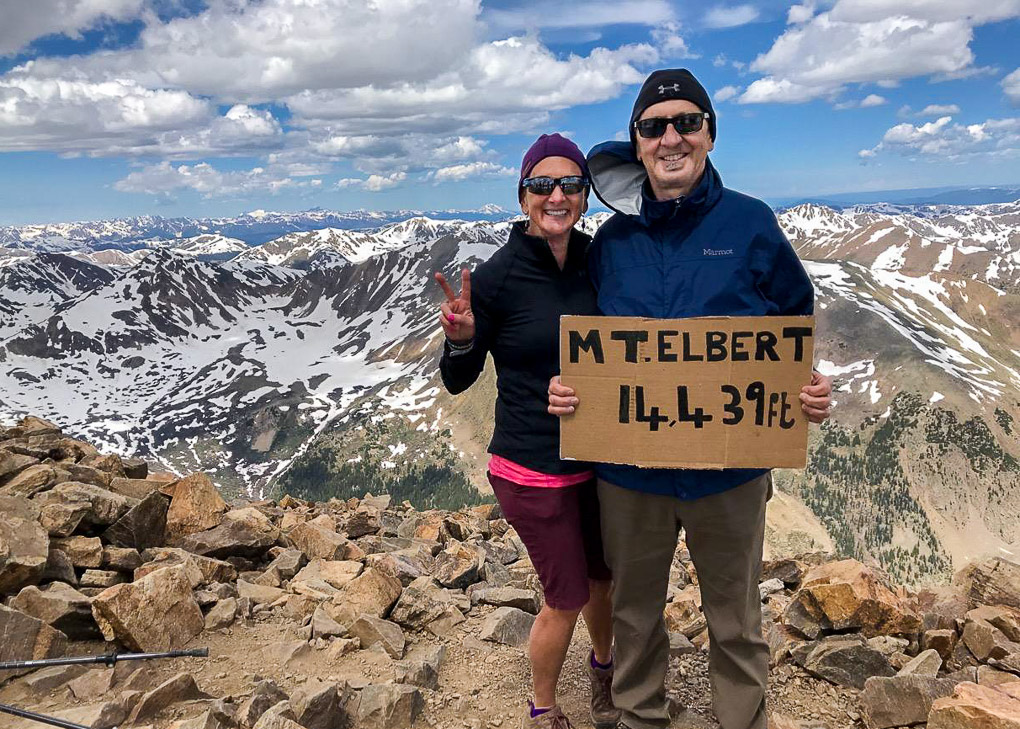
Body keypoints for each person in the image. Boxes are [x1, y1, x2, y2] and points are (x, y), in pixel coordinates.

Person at [547, 69, 833, 729]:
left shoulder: (752, 224)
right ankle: (641, 717)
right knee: (635, 613)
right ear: (637, 142)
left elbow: (792, 320)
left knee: (735, 617)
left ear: (709, 133)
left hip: (730, 470)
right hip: (630, 474)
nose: (670, 137)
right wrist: (571, 387)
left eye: (686, 122)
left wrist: (805, 382)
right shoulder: (612, 243)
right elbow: (588, 339)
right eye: (654, 126)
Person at [436, 133, 618, 729]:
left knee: (603, 580)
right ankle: (543, 706)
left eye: (570, 184)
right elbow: (459, 380)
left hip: (601, 457)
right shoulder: (496, 278)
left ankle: (605, 673)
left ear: (586, 196)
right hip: (533, 469)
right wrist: (461, 339)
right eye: (542, 185)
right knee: (565, 596)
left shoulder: (598, 261)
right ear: (523, 197)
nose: (557, 195)